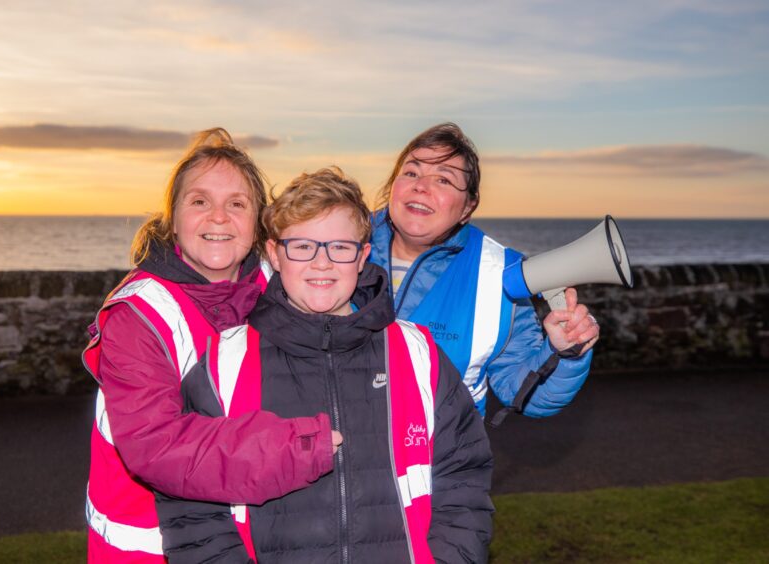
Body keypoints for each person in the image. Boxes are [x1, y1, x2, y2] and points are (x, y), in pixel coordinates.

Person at [156, 167, 493, 563]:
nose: (322, 263)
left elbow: (464, 484)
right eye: (302, 246)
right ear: (274, 254)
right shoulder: (224, 365)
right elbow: (192, 508)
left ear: (363, 256)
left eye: (339, 247)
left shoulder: (418, 353)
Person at [84, 129, 340, 563]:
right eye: (200, 201)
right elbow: (157, 446)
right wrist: (298, 447)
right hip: (151, 547)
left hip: (250, 536)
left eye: (236, 204)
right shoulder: (139, 315)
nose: (218, 217)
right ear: (174, 217)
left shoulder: (274, 284)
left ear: (259, 221)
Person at [369, 123, 600, 423]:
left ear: (468, 207)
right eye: (411, 173)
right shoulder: (336, 246)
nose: (421, 186)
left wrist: (563, 352)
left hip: (443, 465)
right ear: (393, 185)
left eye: (443, 179)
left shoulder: (498, 274)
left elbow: (528, 395)